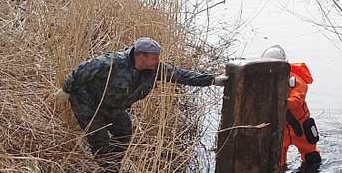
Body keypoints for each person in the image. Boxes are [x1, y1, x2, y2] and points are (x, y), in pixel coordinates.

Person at [55, 37, 225, 165]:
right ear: (140, 56)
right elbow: (81, 71)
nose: (157, 61)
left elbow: (182, 75)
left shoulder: (154, 70)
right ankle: (106, 169)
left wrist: (213, 80)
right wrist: (66, 90)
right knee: (99, 140)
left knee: (124, 131)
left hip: (113, 106)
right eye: (154, 57)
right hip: (88, 103)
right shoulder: (112, 62)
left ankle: (113, 162)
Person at [262, 45, 321, 166]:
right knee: (276, 162)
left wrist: (279, 102)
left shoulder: (297, 81)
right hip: (281, 127)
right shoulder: (266, 83)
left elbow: (296, 101)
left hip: (300, 126)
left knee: (312, 158)